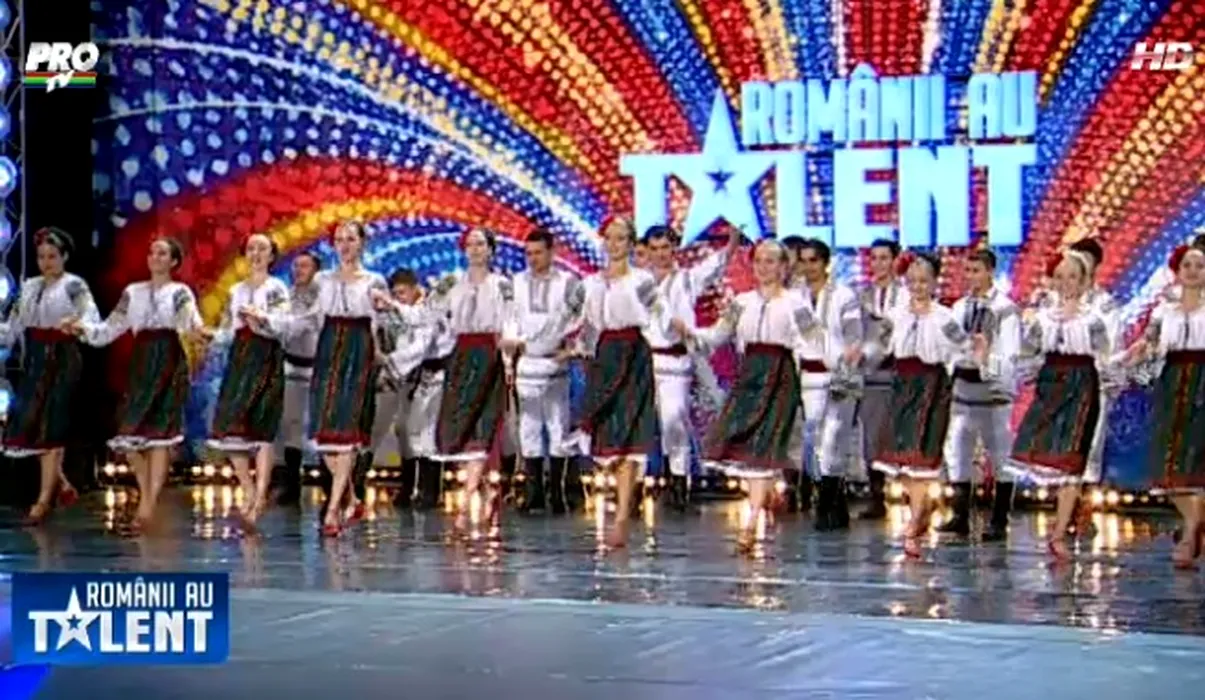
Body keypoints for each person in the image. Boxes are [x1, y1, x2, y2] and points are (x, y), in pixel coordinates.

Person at [64, 237, 205, 531]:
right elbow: (108, 330)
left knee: (159, 437)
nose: (155, 257)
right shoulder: (133, 292)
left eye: (162, 253)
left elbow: (189, 323)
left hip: (168, 360)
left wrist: (197, 334)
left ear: (174, 261)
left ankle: (147, 507)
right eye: (152, 252)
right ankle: (148, 497)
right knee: (129, 435)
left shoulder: (179, 292)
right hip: (142, 364)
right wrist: (82, 328)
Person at [691, 239, 812, 553]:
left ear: (783, 267)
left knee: (763, 449)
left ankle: (751, 521)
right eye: (759, 261)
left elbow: (812, 342)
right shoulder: (741, 302)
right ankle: (761, 503)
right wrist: (689, 334)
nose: (764, 267)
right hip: (749, 377)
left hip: (780, 377)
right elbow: (717, 335)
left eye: (771, 261)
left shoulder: (796, 303)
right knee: (746, 448)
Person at [1005, 249, 1115, 560]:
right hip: (1051, 387)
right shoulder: (1042, 320)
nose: (1066, 283)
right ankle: (1060, 522)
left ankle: (1059, 532)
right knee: (1045, 455)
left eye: (1073, 277)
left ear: (1084, 282)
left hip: (1082, 389)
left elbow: (1104, 358)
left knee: (1072, 463)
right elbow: (1026, 356)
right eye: (1060, 277)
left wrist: (1117, 374)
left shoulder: (1093, 320)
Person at [573, 215, 671, 548]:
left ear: (630, 244)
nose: (614, 244)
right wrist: (570, 347)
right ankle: (617, 497)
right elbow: (576, 319)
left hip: (633, 358)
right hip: (604, 358)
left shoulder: (641, 280)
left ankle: (622, 517)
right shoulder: (590, 283)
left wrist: (674, 336)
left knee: (630, 438)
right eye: (610, 238)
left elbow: (661, 314)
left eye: (621, 238)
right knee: (607, 436)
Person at [294, 220, 389, 537]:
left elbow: (380, 323)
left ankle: (334, 510)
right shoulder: (322, 279)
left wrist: (378, 355)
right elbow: (308, 317)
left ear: (362, 243)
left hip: (358, 348)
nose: (345, 245)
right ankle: (352, 498)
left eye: (351, 239)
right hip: (328, 346)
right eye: (339, 239)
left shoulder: (373, 280)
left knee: (346, 431)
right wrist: (271, 322)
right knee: (325, 434)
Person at [870, 252, 965, 558]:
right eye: (912, 281)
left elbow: (962, 349)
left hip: (932, 385)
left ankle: (915, 521)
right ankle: (919, 511)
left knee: (923, 453)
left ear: (935, 282)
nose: (918, 286)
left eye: (924, 281)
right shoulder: (896, 314)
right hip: (902, 385)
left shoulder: (945, 317)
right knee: (903, 457)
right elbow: (880, 346)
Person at [1, 227, 99, 524]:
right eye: (42, 257)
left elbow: (90, 315)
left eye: (52, 256)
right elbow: (14, 324)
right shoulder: (30, 286)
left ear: (64, 257)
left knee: (51, 424)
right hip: (36, 357)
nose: (46, 262)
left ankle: (43, 501)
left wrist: (77, 323)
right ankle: (63, 483)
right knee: (27, 423)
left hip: (63, 356)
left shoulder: (74, 285)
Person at [1120, 244, 1205, 568]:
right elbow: (1149, 341)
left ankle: (1190, 533)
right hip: (1173, 383)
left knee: (1197, 459)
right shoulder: (1164, 310)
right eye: (1187, 265)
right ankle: (1194, 523)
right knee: (1165, 461)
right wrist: (1137, 352)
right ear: (1177, 270)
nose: (1193, 271)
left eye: (1199, 265)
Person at [644, 224, 737, 512]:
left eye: (666, 247)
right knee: (645, 425)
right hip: (645, 362)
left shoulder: (687, 279)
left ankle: (679, 481)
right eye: (655, 248)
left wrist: (733, 240)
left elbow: (716, 263)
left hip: (675, 362)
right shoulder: (640, 283)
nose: (661, 254)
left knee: (674, 420)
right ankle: (649, 481)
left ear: (674, 248)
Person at [203, 233, 291, 527]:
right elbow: (228, 331)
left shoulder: (276, 288)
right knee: (231, 428)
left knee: (262, 428)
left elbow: (284, 325)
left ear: (271, 256)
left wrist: (261, 319)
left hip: (265, 356)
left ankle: (260, 494)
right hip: (241, 359)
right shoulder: (236, 290)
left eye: (262, 248)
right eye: (251, 248)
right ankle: (249, 489)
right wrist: (211, 336)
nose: (256, 253)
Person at [433, 228, 516, 536]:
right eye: (470, 244)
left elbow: (510, 320)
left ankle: (465, 505)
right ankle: (481, 489)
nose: (475, 249)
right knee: (461, 428)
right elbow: (431, 314)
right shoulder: (451, 283)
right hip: (460, 356)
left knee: (483, 427)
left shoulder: (501, 284)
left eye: (481, 244)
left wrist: (508, 358)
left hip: (489, 354)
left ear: (491, 249)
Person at [941, 248, 1019, 541]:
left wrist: (987, 362)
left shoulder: (1005, 309)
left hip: (993, 392)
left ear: (990, 272)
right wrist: (954, 365)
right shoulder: (959, 307)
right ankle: (960, 514)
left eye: (976, 271)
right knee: (958, 450)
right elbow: (950, 346)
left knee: (1000, 454)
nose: (971, 277)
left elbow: (1010, 354)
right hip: (963, 388)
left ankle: (999, 519)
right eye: (968, 271)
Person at [506, 229, 584, 514]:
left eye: (538, 252)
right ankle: (533, 493)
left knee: (558, 426)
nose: (533, 259)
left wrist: (573, 348)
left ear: (552, 252)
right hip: (528, 361)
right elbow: (510, 318)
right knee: (528, 427)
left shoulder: (568, 283)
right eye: (529, 253)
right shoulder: (516, 282)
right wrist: (510, 350)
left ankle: (559, 493)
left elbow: (584, 316)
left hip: (554, 363)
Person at [793, 238, 863, 530]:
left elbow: (854, 336)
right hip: (808, 378)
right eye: (804, 261)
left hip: (839, 375)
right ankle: (836, 502)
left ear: (825, 263)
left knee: (834, 439)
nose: (809, 267)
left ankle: (825, 505)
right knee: (814, 441)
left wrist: (846, 364)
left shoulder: (844, 295)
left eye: (814, 260)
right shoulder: (794, 297)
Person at [853, 238, 909, 520]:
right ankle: (877, 496)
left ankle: (913, 495)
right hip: (872, 375)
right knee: (872, 436)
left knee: (904, 434)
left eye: (884, 258)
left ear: (895, 261)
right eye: (873, 258)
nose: (878, 264)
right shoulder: (860, 296)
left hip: (903, 373)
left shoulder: (908, 294)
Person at [272, 251, 321, 507]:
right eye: (296, 266)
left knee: (323, 427)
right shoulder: (285, 298)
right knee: (290, 424)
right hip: (292, 366)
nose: (298, 270)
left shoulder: (324, 298)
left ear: (316, 270)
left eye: (304, 266)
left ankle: (332, 484)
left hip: (320, 368)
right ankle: (290, 485)